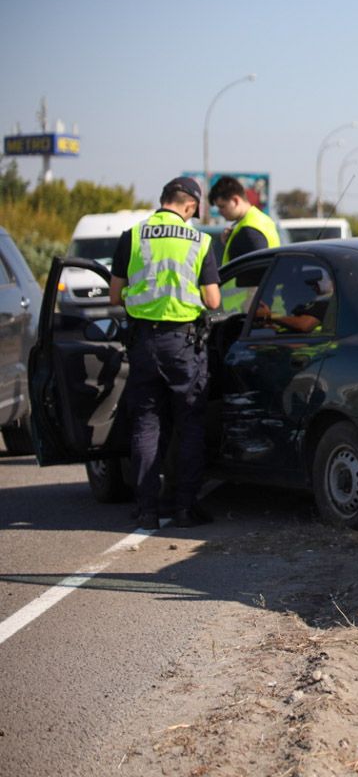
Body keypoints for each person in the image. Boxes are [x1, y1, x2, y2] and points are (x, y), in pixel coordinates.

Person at [109, 177, 221, 530]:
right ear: (190, 206)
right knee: (188, 424)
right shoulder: (200, 241)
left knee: (145, 424)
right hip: (183, 344)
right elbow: (214, 300)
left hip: (143, 342)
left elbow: (115, 295)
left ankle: (147, 510)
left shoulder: (133, 236)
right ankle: (185, 508)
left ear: (163, 200)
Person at [208, 175, 281, 264]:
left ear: (235, 201)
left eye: (222, 206)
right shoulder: (261, 219)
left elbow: (255, 269)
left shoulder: (249, 230)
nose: (220, 212)